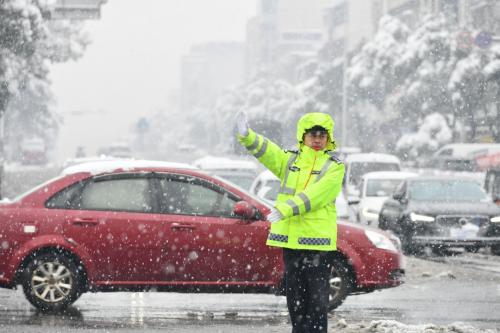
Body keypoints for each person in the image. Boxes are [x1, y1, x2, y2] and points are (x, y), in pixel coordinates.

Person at [236, 112, 345, 333]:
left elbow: (316, 195)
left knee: (316, 305)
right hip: (292, 244)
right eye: (312, 134)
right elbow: (269, 152)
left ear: (328, 137)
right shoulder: (291, 160)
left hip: (317, 246)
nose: (317, 139)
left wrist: (285, 209)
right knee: (296, 303)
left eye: (322, 134)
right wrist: (248, 136)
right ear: (302, 136)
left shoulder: (334, 166)